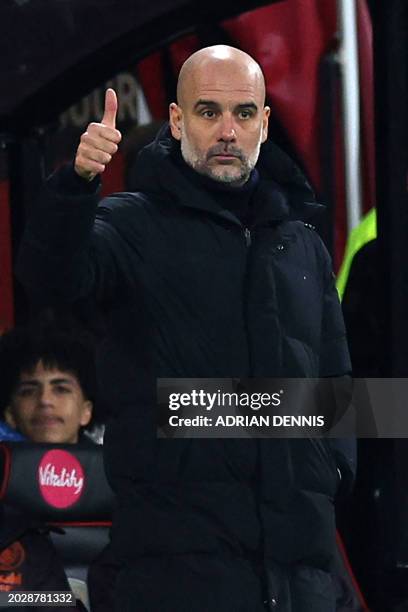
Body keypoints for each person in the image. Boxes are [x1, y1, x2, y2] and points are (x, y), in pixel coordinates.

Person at [17, 45, 355, 611]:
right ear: (176, 121)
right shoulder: (128, 226)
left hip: (302, 579)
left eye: (244, 114)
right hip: (175, 574)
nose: (228, 130)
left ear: (265, 124)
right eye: (208, 111)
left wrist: (334, 465)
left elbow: (339, 388)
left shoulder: (304, 247)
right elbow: (47, 279)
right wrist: (76, 184)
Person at [0, 322, 94, 444]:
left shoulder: (113, 462)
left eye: (61, 389)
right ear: (10, 414)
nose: (45, 400)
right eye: (28, 392)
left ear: (86, 411)